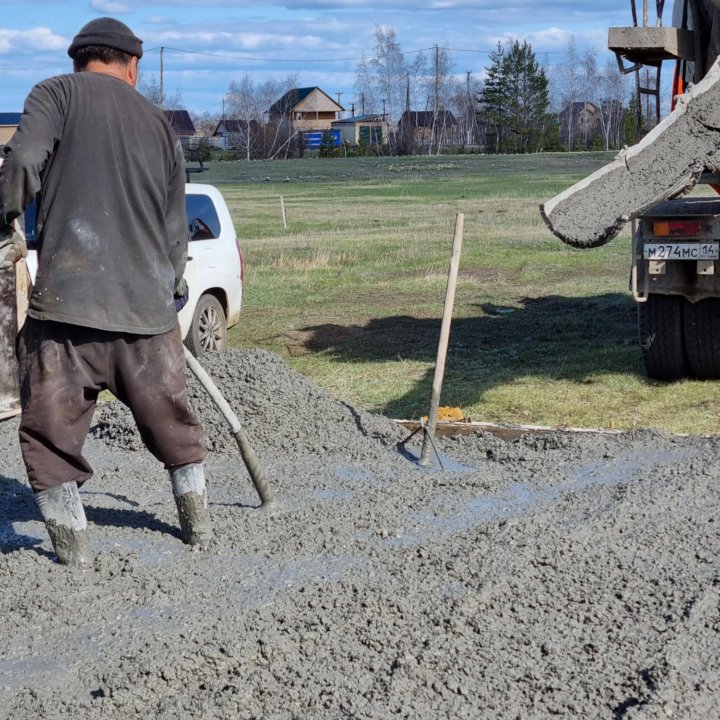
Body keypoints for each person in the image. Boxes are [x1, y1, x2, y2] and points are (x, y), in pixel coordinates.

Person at [0, 17, 212, 566]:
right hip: (148, 316)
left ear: (78, 59)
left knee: (51, 438)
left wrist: (5, 218)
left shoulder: (55, 94)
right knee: (176, 428)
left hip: (67, 312)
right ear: (133, 67)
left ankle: (73, 556)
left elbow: (22, 161)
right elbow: (174, 224)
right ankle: (199, 530)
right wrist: (172, 288)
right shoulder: (159, 123)